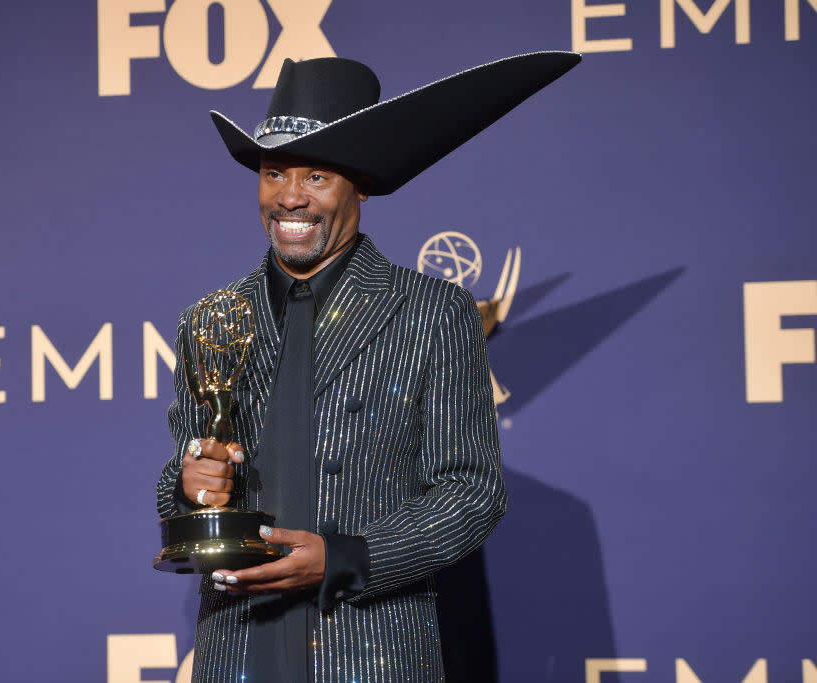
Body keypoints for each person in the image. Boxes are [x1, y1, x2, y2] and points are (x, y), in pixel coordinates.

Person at [157, 52, 580, 683]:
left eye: (317, 177)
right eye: (275, 174)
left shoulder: (432, 312)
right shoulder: (210, 320)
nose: (290, 197)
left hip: (371, 650)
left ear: (360, 184)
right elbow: (180, 482)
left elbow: (471, 490)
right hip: (237, 650)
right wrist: (192, 484)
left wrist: (342, 559)